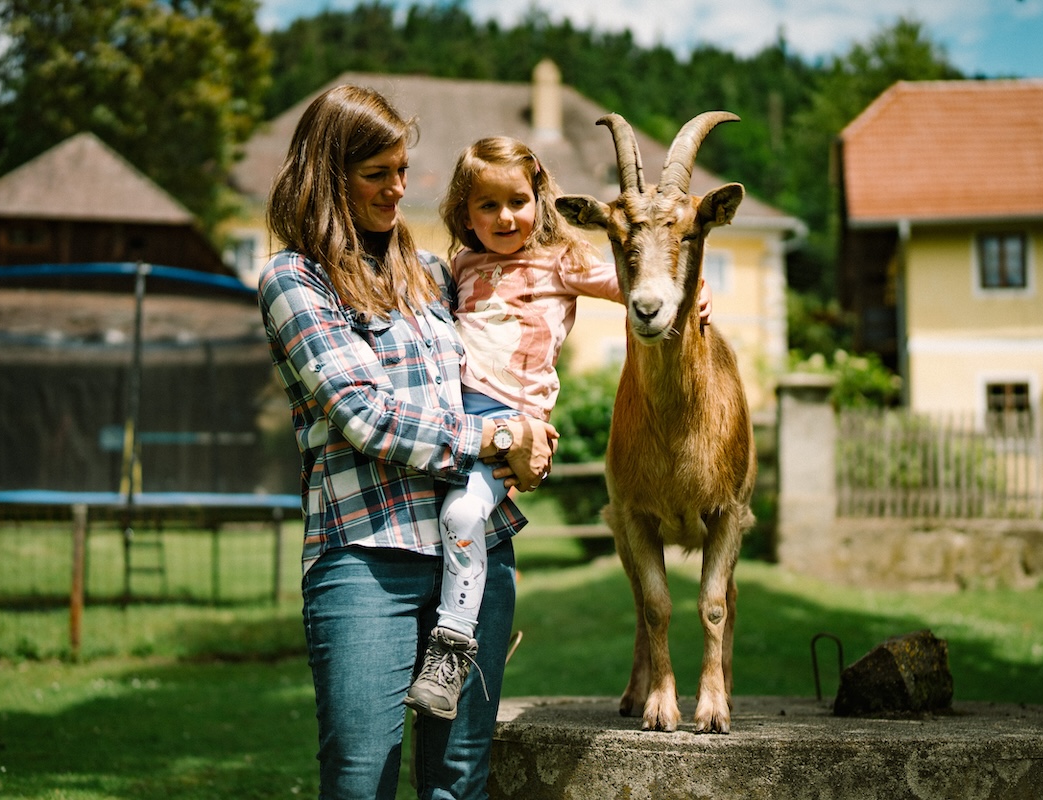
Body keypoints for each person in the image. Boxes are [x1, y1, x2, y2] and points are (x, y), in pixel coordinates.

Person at [257, 86, 556, 800]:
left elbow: (518, 327)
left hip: (475, 553)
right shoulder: (294, 280)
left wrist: (530, 435)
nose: (399, 188)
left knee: (458, 779)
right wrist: (496, 434)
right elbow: (365, 416)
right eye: (376, 174)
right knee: (363, 777)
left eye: (402, 169)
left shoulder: (432, 276)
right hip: (366, 557)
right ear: (328, 176)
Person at [403, 136, 711, 719]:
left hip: (509, 422)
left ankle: (450, 653)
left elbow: (637, 287)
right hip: (452, 421)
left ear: (540, 199)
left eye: (517, 201)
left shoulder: (560, 261)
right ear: (463, 212)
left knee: (462, 516)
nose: (504, 217)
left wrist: (692, 290)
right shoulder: (462, 267)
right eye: (487, 206)